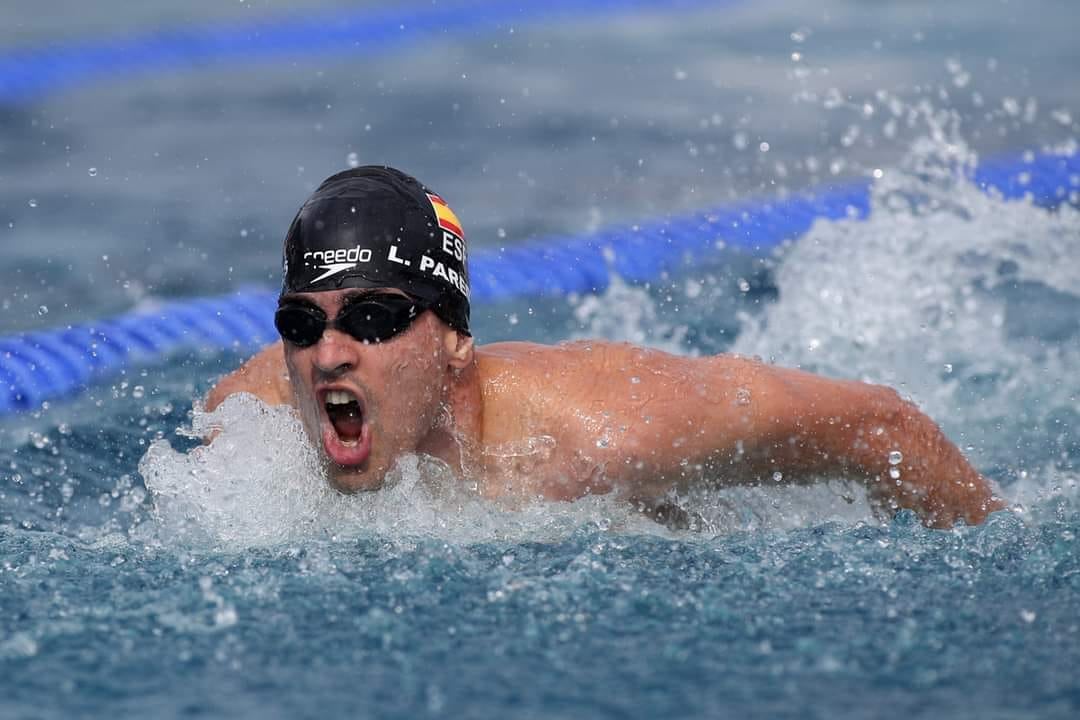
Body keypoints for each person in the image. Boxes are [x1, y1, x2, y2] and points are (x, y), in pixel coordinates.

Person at [206, 165, 1004, 528]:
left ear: (451, 339)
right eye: (302, 325)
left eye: (375, 318)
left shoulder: (605, 433)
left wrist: (999, 552)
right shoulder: (253, 418)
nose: (331, 354)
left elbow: (883, 424)